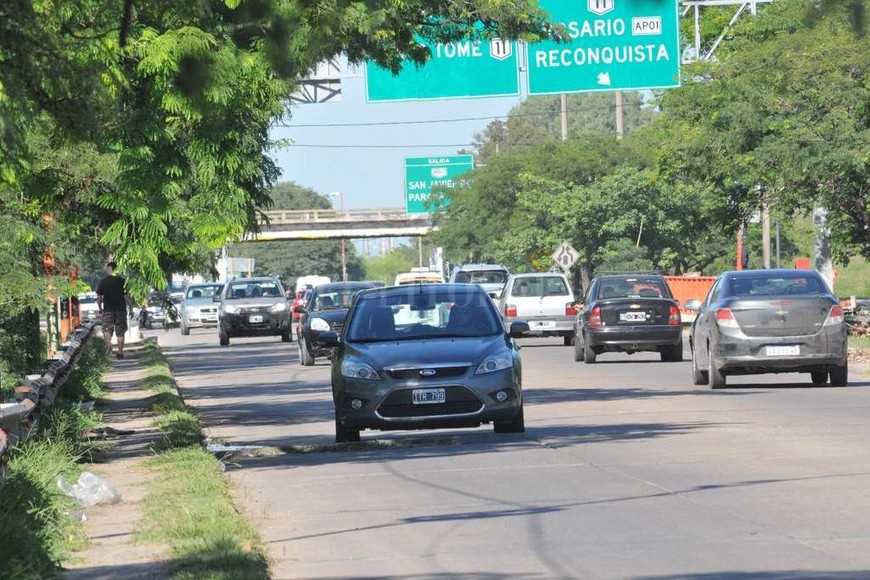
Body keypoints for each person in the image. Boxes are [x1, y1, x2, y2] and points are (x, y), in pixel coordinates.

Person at [96, 261, 134, 359]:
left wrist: (100, 308)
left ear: (109, 269)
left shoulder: (103, 282)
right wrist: (131, 308)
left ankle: (109, 345)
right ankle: (120, 353)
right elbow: (126, 297)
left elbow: (99, 298)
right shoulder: (122, 281)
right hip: (120, 310)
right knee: (120, 332)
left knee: (107, 328)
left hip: (108, 310)